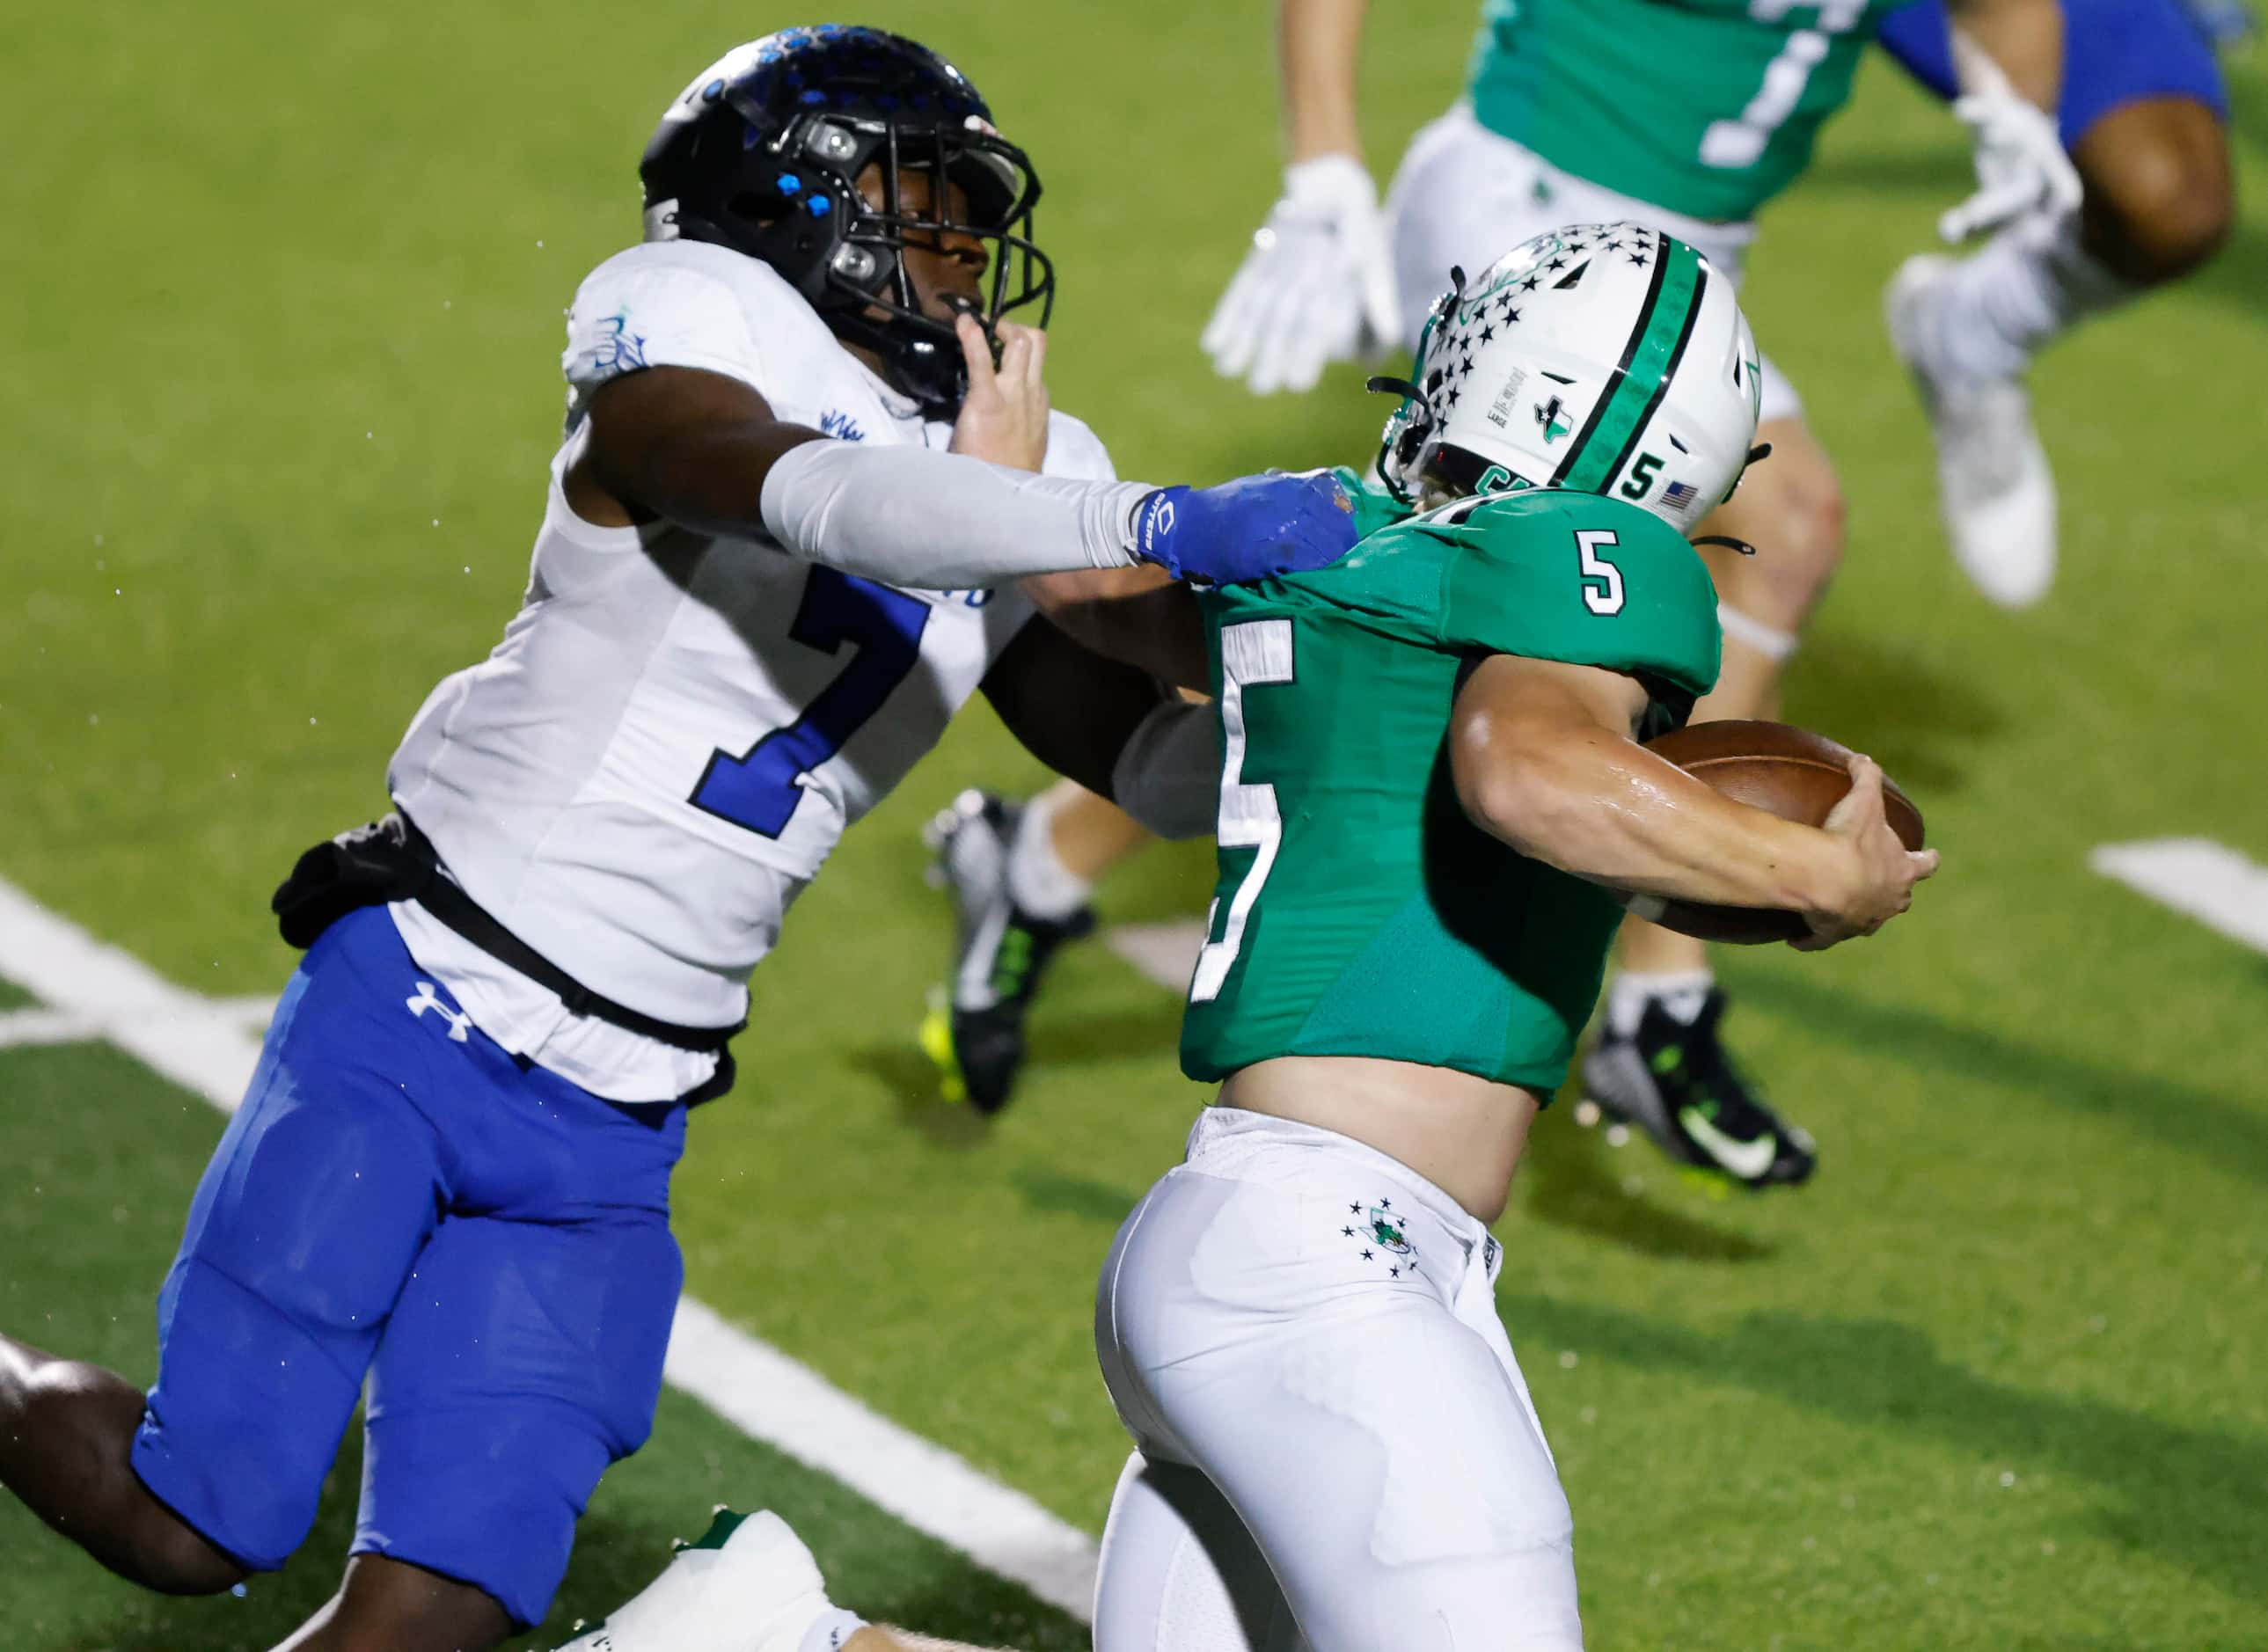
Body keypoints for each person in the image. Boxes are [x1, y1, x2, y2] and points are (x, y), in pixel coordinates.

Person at [0, 26, 1353, 1652]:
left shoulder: (1020, 467)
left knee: (434, 1611)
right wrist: (1112, 524)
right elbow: (790, 491)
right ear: (791, 205)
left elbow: (1146, 757)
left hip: (620, 1113)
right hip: (433, 996)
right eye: (918, 202)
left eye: (965, 213)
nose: (960, 249)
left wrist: (1361, 703)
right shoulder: (698, 336)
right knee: (191, 1522)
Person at [579, 223, 1936, 1651]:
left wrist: (1002, 491)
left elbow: (1098, 602)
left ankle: (777, 1640)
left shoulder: (1355, 547)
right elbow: (1521, 772)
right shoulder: (1591, 553)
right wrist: (1810, 871)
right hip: (1327, 1263)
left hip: (1258, 1242)